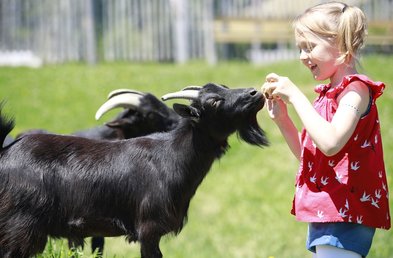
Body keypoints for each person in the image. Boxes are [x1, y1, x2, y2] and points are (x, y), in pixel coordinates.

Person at [261, 2, 390, 258]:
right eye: (300, 48)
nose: (302, 56)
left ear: (342, 47)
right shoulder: (328, 95)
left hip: (346, 213)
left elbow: (331, 143)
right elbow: (314, 158)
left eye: (310, 47)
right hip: (327, 210)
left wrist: (296, 96)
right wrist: (283, 121)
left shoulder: (355, 92)